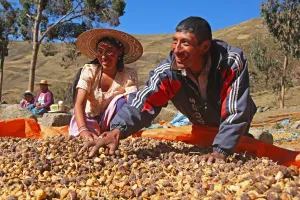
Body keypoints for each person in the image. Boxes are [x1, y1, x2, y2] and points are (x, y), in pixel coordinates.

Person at [81, 17, 257, 164]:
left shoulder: (230, 61)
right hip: (201, 122)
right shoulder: (168, 71)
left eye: (185, 43)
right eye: (175, 41)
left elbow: (235, 110)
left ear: (204, 47)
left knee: (244, 143)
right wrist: (116, 131)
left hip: (229, 116)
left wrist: (220, 151)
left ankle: (238, 140)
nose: (177, 50)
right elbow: (145, 101)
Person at [69, 28, 143, 140]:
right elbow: (79, 103)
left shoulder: (128, 74)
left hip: (113, 122)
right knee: (81, 138)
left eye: (109, 51)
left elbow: (133, 103)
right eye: (100, 51)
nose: (103, 56)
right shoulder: (90, 70)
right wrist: (83, 130)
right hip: (88, 119)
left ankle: (114, 133)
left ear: (120, 52)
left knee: (121, 101)